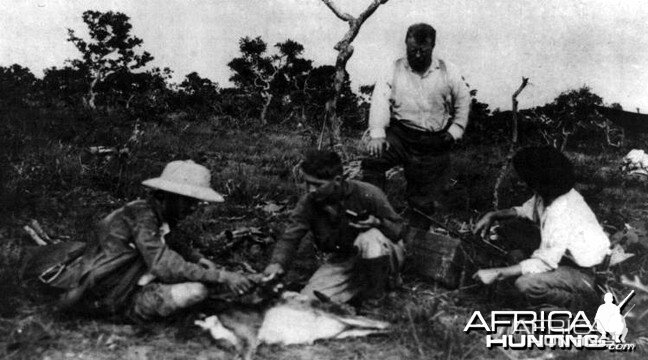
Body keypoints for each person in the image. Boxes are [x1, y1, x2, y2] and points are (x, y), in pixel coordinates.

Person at [42, 160, 254, 321]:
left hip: (128, 283)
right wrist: (220, 275)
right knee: (197, 291)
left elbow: (173, 242)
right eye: (189, 201)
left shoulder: (157, 215)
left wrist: (198, 258)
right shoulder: (141, 216)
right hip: (112, 294)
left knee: (203, 285)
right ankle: (129, 313)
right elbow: (164, 265)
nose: (193, 208)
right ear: (169, 196)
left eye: (196, 202)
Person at [472, 146, 610, 311]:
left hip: (583, 272)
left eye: (525, 178)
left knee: (525, 284)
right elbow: (524, 210)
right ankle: (534, 302)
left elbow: (545, 261)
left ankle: (586, 304)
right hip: (562, 260)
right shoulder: (546, 194)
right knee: (516, 258)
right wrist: (494, 215)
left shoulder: (563, 209)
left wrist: (497, 272)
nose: (521, 182)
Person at [263, 150, 406, 307]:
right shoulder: (309, 202)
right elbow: (290, 237)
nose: (310, 189)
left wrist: (378, 223)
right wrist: (277, 263)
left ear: (337, 180)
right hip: (346, 259)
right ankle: (361, 288)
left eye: (318, 184)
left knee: (370, 238)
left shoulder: (367, 193)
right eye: (307, 183)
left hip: (384, 254)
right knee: (309, 300)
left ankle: (375, 298)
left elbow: (399, 230)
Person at [361, 22, 471, 223]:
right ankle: (374, 214)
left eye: (423, 50)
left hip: (432, 140)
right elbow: (379, 100)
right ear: (406, 45)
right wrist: (377, 135)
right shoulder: (393, 69)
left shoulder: (448, 71)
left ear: (432, 47)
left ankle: (416, 234)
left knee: (422, 200)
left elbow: (463, 100)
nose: (417, 55)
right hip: (401, 134)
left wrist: (455, 130)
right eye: (412, 50)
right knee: (373, 161)